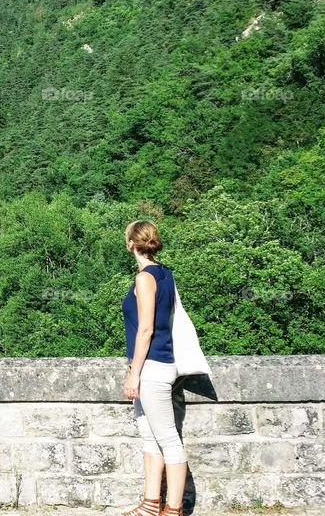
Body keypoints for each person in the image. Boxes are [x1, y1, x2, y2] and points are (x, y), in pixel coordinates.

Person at [120, 220, 187, 516]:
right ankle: (150, 504)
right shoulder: (166, 274)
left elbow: (145, 329)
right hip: (160, 363)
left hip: (152, 366)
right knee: (150, 436)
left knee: (169, 440)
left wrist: (134, 373)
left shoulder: (145, 278)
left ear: (131, 244)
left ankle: (173, 509)